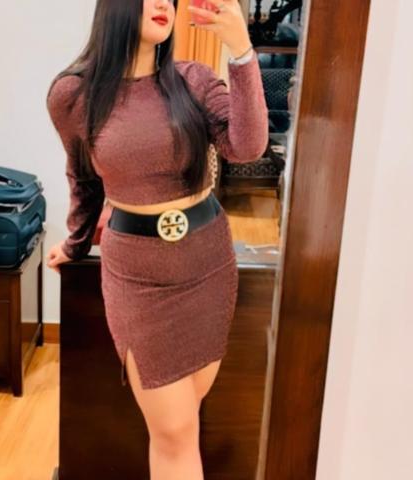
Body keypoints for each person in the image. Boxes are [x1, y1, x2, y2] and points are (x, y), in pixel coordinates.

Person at [45, 0, 268, 478]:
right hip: (138, 277)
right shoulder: (74, 94)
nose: (163, 2)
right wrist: (76, 243)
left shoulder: (193, 80)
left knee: (183, 423)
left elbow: (247, 147)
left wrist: (242, 51)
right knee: (173, 431)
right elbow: (83, 177)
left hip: (206, 265)